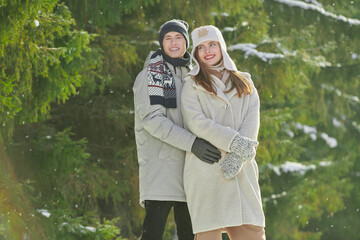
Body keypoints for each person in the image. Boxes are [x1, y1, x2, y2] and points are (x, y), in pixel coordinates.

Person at [132, 20, 221, 240]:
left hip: (191, 168)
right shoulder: (152, 74)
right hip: (161, 167)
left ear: (186, 42)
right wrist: (193, 143)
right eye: (168, 38)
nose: (173, 43)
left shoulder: (193, 76)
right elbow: (153, 120)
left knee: (190, 235)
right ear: (161, 43)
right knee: (152, 233)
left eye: (178, 37)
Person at [181, 25, 266, 240]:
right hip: (207, 171)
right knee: (208, 234)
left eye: (212, 44)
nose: (207, 50)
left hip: (241, 172)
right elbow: (196, 122)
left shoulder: (245, 81)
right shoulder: (191, 85)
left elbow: (251, 120)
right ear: (195, 54)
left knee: (252, 234)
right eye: (201, 47)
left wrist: (238, 156)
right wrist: (233, 142)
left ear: (221, 46)